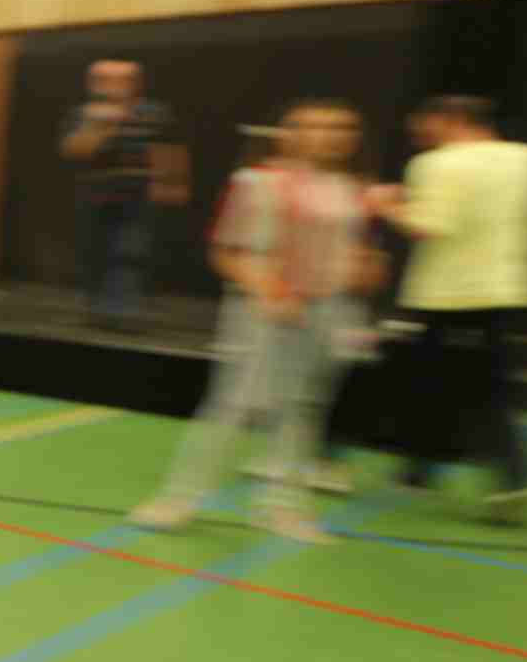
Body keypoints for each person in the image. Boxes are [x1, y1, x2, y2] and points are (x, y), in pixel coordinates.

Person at [130, 99, 374, 542]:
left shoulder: (350, 188)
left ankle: (282, 508)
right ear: (290, 134)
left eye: (341, 127)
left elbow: (349, 253)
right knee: (234, 406)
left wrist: (362, 269)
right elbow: (225, 252)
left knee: (301, 410)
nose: (331, 136)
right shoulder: (259, 183)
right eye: (316, 126)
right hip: (264, 311)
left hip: (327, 310)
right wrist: (267, 289)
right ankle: (177, 498)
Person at [366, 94, 527, 521]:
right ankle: (418, 474)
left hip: (450, 296)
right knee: (443, 384)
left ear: (449, 120)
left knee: (470, 388)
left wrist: (386, 206)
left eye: (425, 123)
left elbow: (430, 225)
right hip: (509, 289)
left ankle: (514, 481)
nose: (419, 133)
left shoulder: (437, 163)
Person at [60, 59, 187, 330]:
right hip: (95, 195)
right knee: (94, 252)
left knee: (130, 251)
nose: (113, 85)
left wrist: (172, 182)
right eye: (104, 80)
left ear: (135, 83)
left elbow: (168, 147)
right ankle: (96, 308)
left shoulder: (153, 112)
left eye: (122, 79)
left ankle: (122, 310)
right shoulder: (82, 114)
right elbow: (73, 150)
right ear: (93, 84)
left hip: (137, 196)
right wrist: (98, 126)